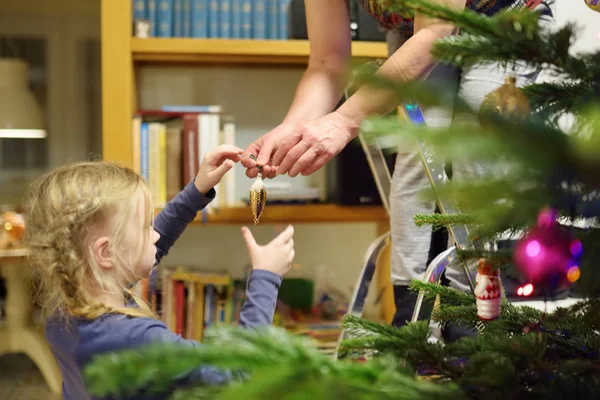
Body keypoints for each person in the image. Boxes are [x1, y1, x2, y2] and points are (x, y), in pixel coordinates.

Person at [241, 0, 555, 329]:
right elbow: (327, 61)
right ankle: (410, 314)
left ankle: (467, 319)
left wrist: (342, 122)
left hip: (504, 15)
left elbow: (436, 31)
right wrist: (292, 127)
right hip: (413, 31)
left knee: (474, 153)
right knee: (416, 157)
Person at [24, 145, 296, 400]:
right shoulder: (137, 339)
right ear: (105, 253)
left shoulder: (67, 309)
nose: (154, 234)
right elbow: (238, 372)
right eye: (145, 226)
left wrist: (197, 190)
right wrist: (266, 277)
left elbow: (142, 251)